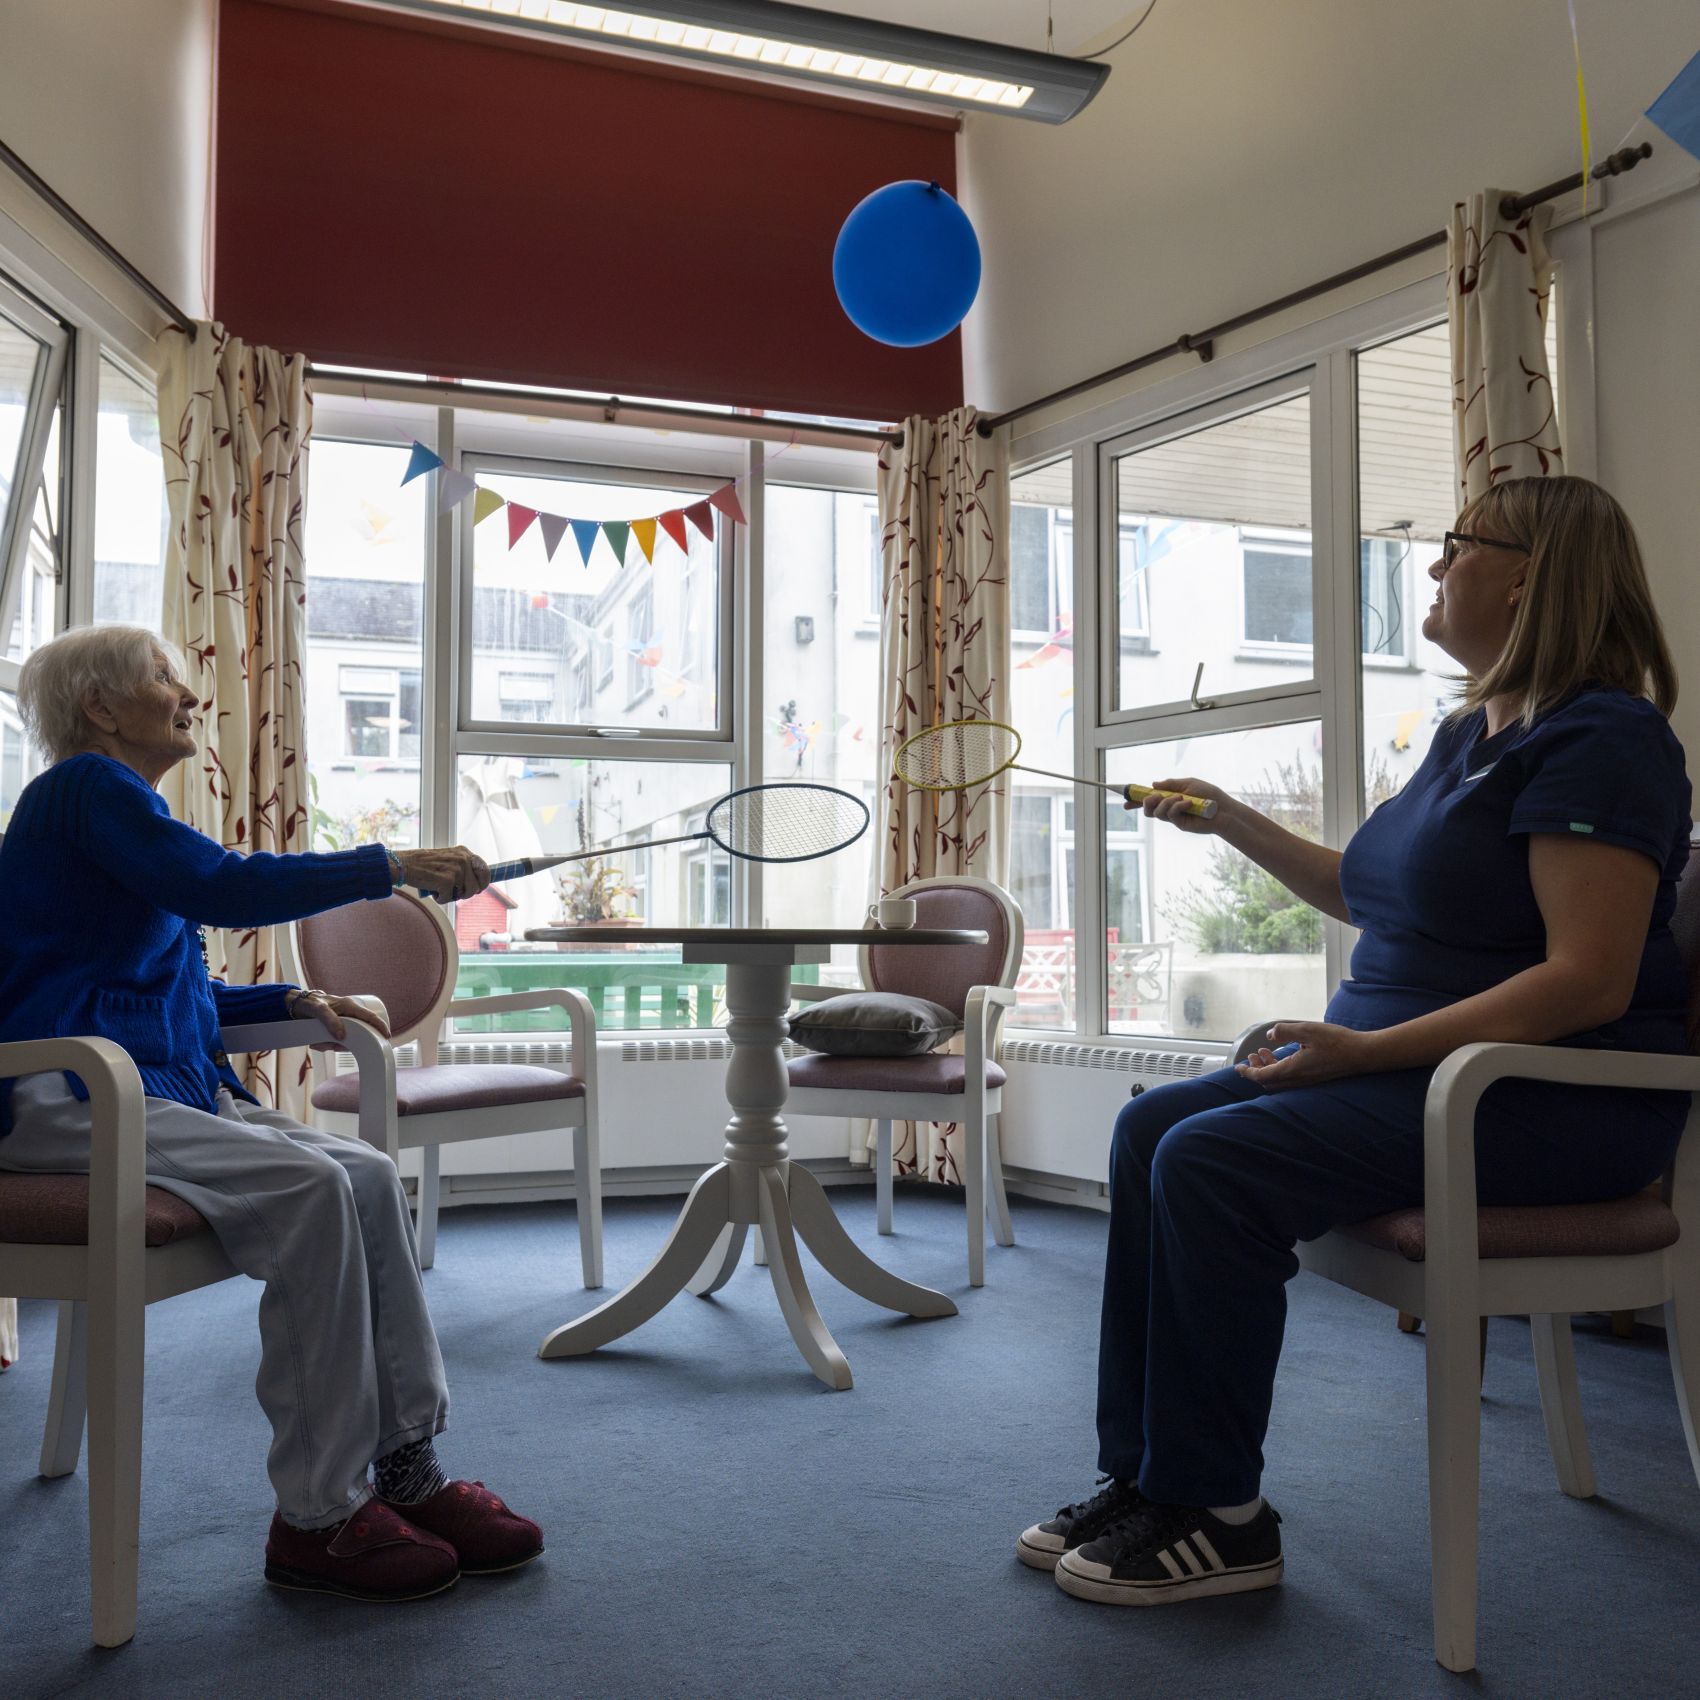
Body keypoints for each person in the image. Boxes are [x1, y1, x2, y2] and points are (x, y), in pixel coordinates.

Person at [1019, 475, 1692, 1606]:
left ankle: (1219, 1513)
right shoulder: (1465, 733)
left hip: (1534, 1097)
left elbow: (1587, 979)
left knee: (1210, 1157)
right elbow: (1362, 889)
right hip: (1415, 1079)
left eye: (1454, 547)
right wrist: (1225, 814)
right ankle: (1145, 1474)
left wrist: (1360, 1051)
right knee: (1147, 1126)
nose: (1431, 568)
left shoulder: (1603, 738)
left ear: (1526, 574)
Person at [0, 624, 543, 1603]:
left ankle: (406, 1464)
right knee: (309, 1186)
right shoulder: (85, 789)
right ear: (98, 707)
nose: (190, 693)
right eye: (165, 676)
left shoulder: (120, 826)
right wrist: (389, 864)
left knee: (367, 1174)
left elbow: (174, 987)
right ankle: (318, 1515)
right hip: (69, 1099)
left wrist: (292, 1004)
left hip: (149, 1090)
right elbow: (220, 884)